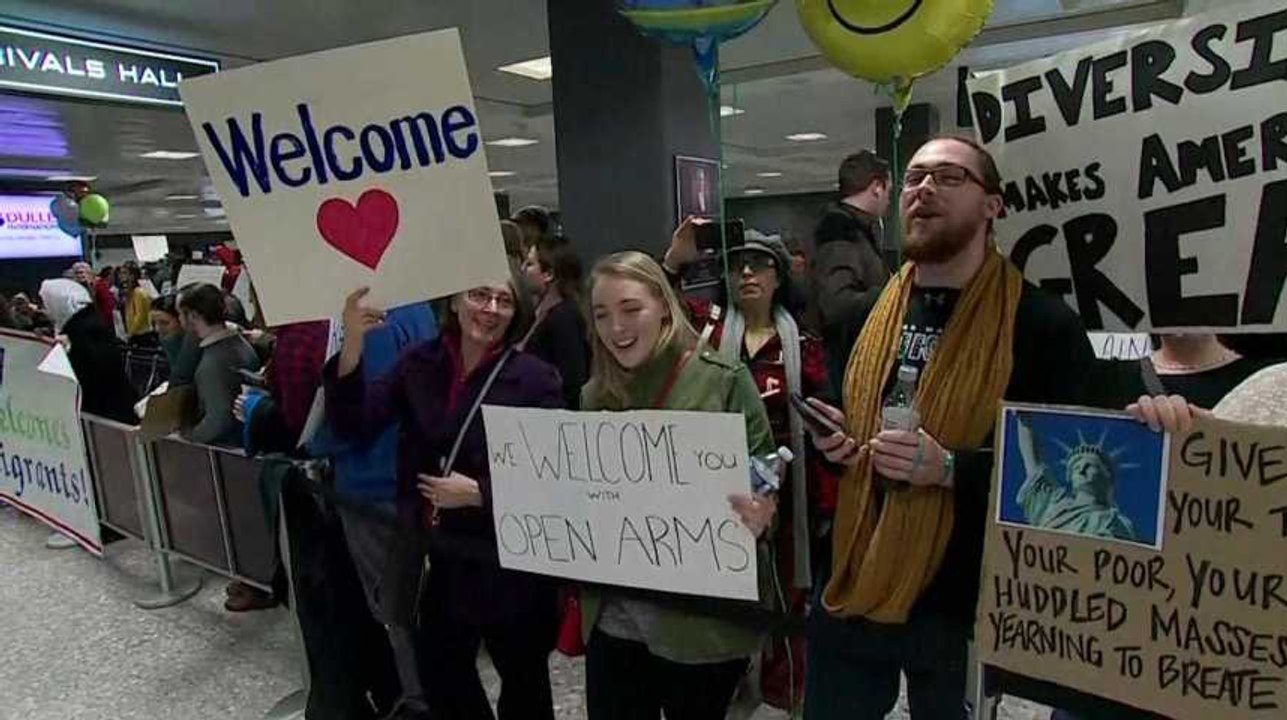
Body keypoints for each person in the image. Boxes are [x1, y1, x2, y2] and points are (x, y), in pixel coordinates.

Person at [803, 135, 1203, 719]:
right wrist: (831, 440)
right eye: (914, 178)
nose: (924, 189)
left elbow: (1078, 469)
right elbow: (842, 407)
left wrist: (948, 469)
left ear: (993, 205)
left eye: (948, 177)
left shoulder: (1040, 323)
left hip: (967, 594)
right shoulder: (866, 315)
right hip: (856, 571)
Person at [324, 269, 564, 720]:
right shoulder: (420, 363)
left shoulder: (534, 379)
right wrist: (352, 344)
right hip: (438, 556)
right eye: (478, 295)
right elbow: (354, 422)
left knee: (524, 682)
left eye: (503, 301)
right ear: (454, 301)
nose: (490, 310)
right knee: (443, 674)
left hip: (507, 559)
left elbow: (552, 477)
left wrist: (482, 494)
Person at [579, 251, 778, 719]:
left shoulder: (722, 380)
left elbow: (765, 471)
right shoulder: (593, 394)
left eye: (631, 309)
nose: (616, 328)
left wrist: (762, 509)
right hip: (616, 616)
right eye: (602, 314)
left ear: (664, 306)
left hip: (701, 623)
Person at [662, 222, 837, 711]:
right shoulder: (708, 329)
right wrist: (676, 259)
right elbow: (661, 306)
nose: (747, 273)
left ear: (779, 275)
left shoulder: (803, 341)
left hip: (787, 481)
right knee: (725, 586)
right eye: (738, 265)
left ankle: (784, 690)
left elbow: (821, 414)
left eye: (759, 264)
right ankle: (729, 680)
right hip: (715, 478)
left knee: (786, 590)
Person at [310, 301, 438, 718]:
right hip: (409, 477)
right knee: (415, 603)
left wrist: (314, 441)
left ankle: (420, 701)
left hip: (373, 480)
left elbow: (360, 415)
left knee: (396, 608)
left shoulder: (373, 316)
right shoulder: (419, 307)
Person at [1015, 413, 1135, 541]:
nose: (1081, 471)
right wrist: (1023, 418)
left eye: (1090, 466)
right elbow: (1034, 465)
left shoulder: (1116, 522)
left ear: (1107, 477)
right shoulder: (1053, 506)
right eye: (1076, 468)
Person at [808, 149, 892, 333]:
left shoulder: (853, 229)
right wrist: (893, 294)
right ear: (877, 187)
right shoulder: (840, 232)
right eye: (889, 191)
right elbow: (836, 305)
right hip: (849, 354)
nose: (888, 201)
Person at [177, 283, 261, 447]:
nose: (179, 319)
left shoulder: (212, 363)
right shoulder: (241, 342)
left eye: (180, 313)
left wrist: (186, 437)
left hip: (231, 447)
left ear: (193, 316)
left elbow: (218, 421)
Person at [520, 234, 590, 409]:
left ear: (548, 274)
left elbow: (573, 381)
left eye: (529, 264)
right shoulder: (542, 313)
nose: (522, 269)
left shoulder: (563, 318)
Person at [71, 261, 116, 329]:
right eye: (76, 273)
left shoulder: (99, 287)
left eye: (81, 273)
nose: (79, 276)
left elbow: (108, 307)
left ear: (89, 274)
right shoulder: (76, 289)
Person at [117, 263, 154, 339]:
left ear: (132, 276)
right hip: (135, 332)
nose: (121, 276)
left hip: (141, 334)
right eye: (120, 273)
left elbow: (140, 316)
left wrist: (130, 333)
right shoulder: (130, 292)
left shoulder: (138, 292)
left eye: (124, 273)